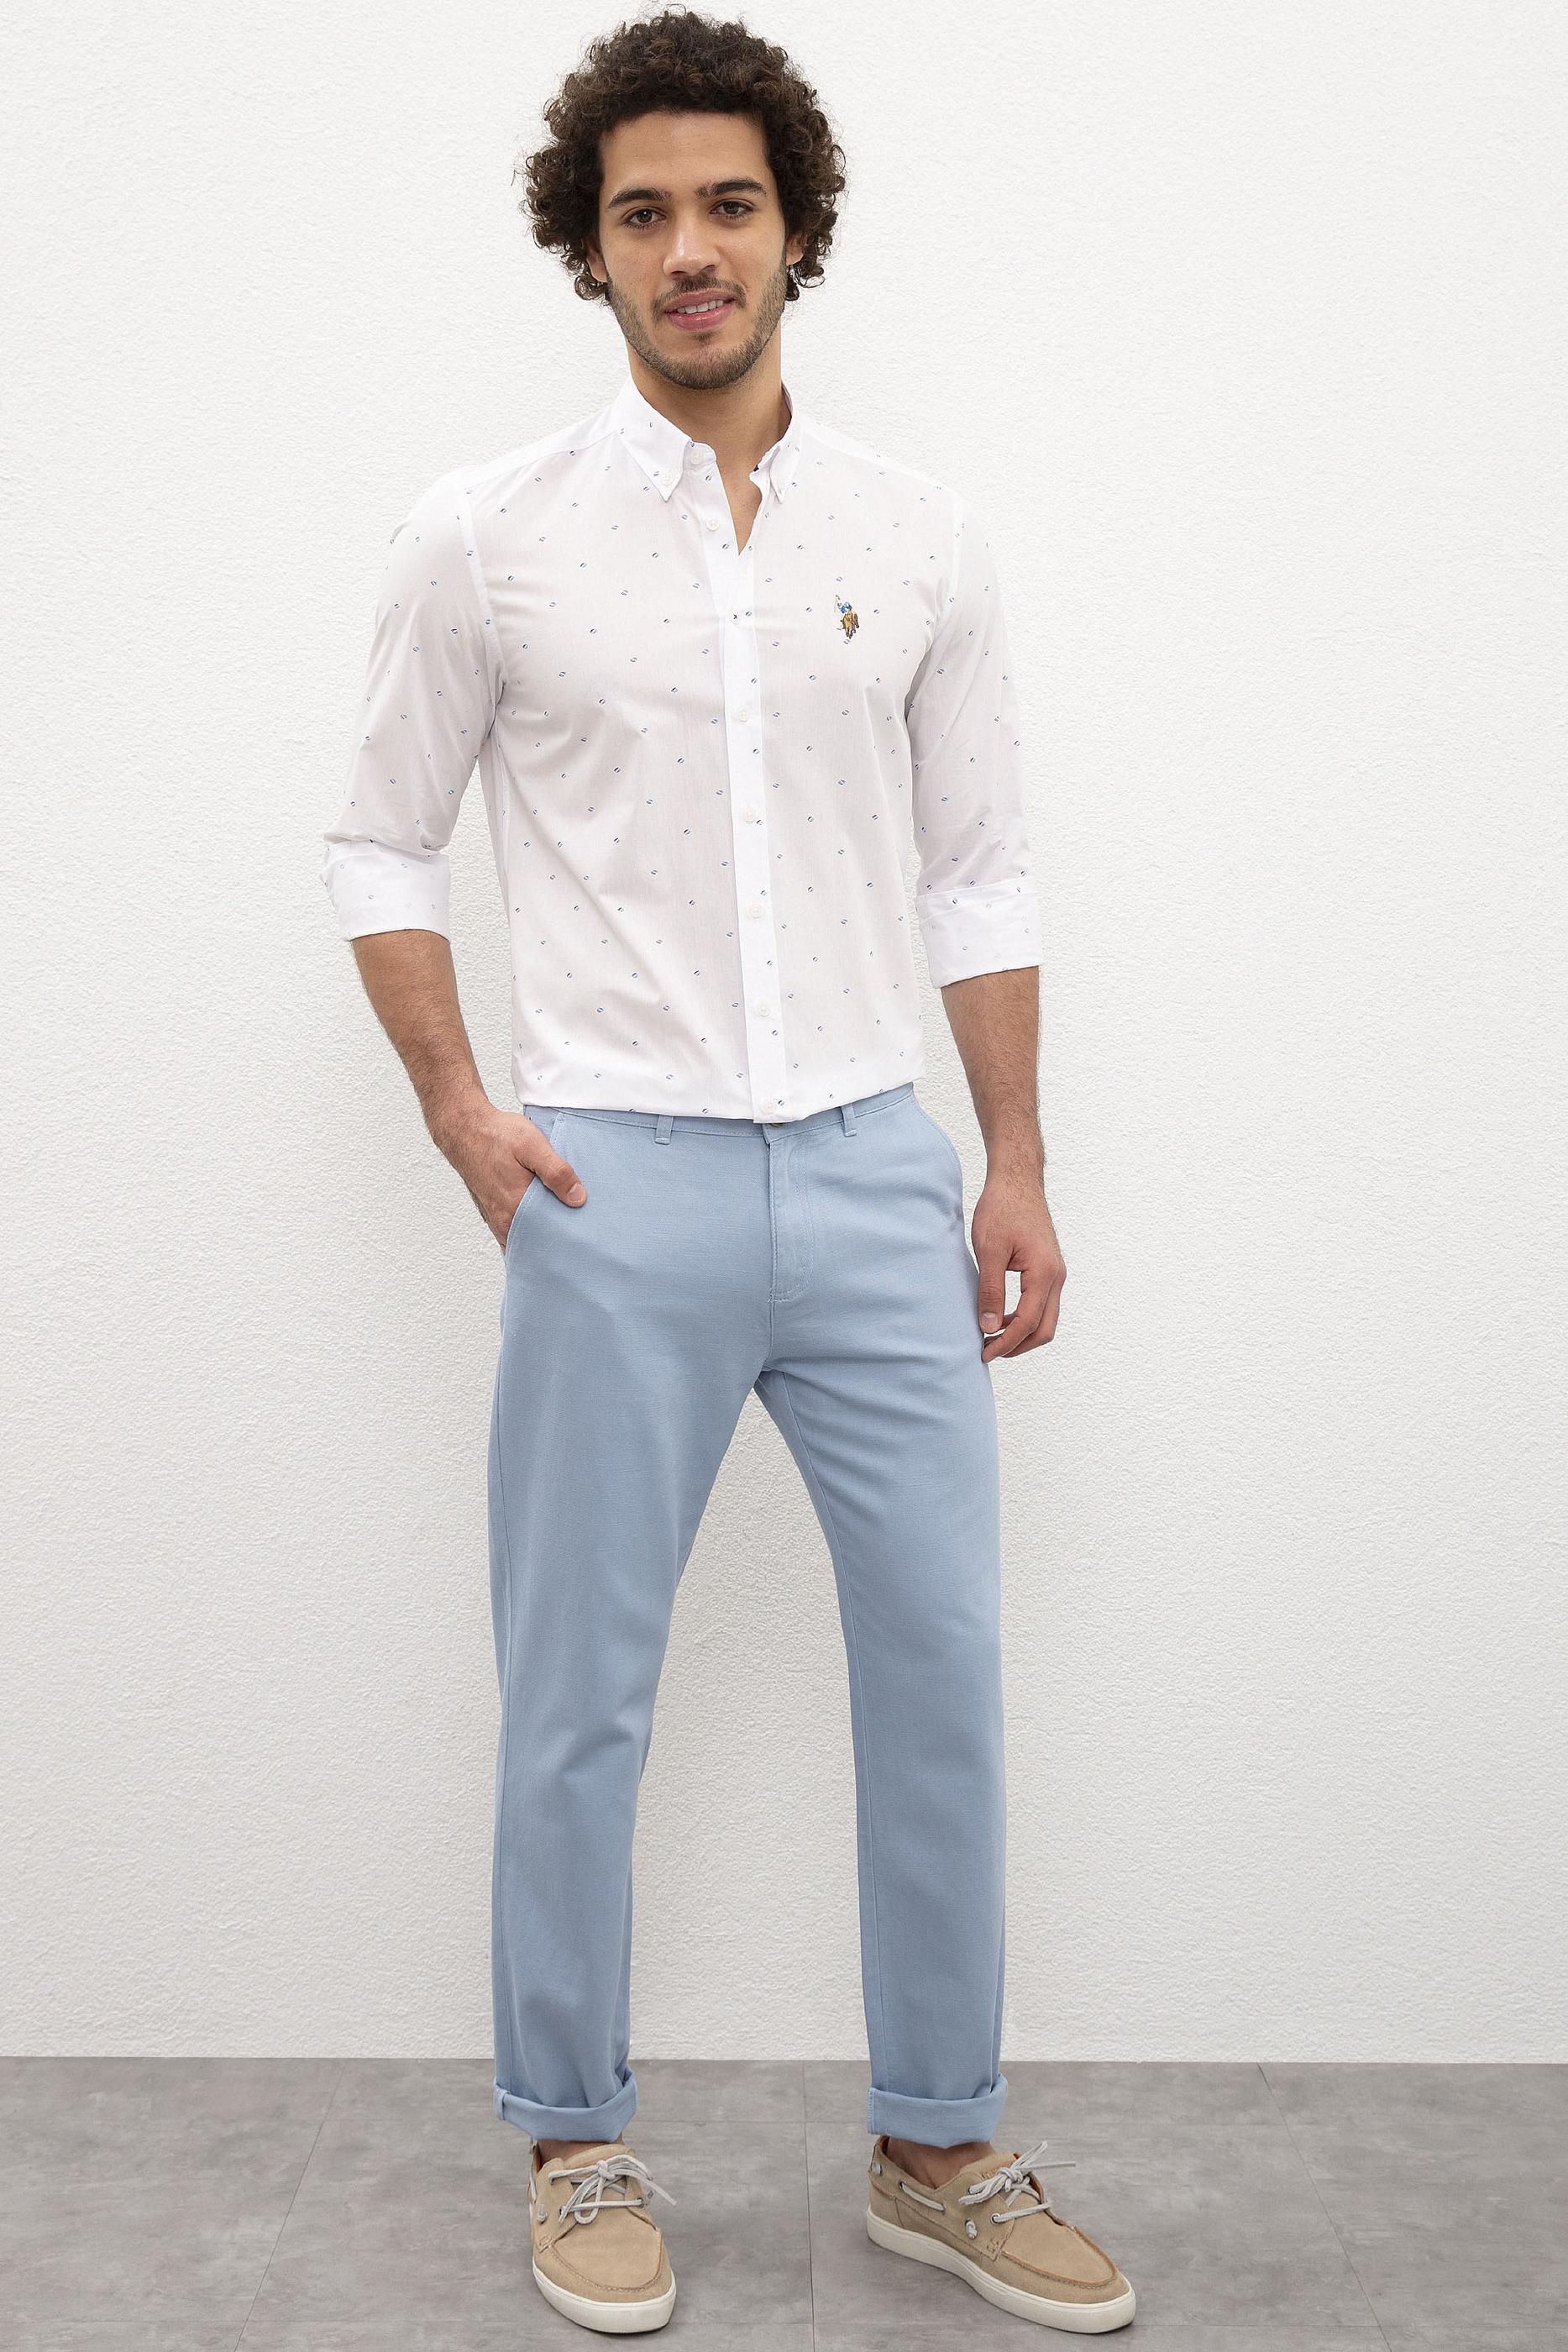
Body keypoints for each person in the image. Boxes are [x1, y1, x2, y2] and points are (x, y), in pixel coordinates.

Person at [321, 8, 1132, 2336]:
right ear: (590, 251)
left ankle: (939, 2143)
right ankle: (574, 2137)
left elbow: (977, 869)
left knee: (944, 1668)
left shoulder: (918, 535)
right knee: (579, 1687)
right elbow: (378, 835)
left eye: (730, 206)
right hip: (615, 1185)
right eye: (645, 213)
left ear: (796, 233)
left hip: (877, 1174)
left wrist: (1010, 1157)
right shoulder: (486, 538)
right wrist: (460, 1104)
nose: (692, 249)